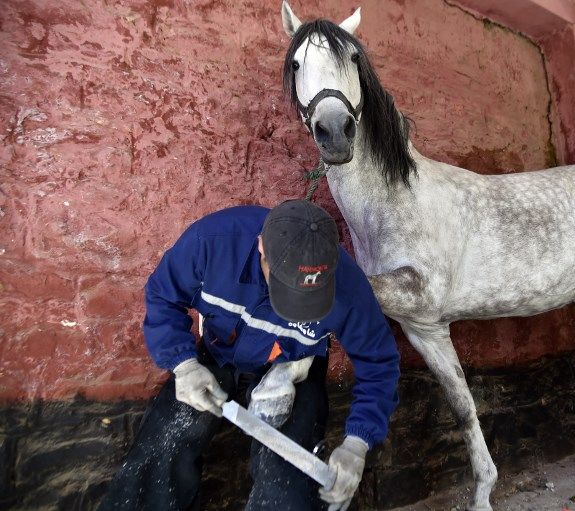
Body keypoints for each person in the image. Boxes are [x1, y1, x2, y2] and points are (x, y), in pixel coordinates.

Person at [98, 200, 400, 511]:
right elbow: (163, 295)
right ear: (261, 249)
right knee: (162, 450)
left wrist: (357, 444)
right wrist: (184, 365)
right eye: (286, 288)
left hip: (294, 368)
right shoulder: (212, 243)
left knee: (286, 482)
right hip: (217, 354)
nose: (297, 305)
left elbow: (379, 364)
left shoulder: (349, 289)